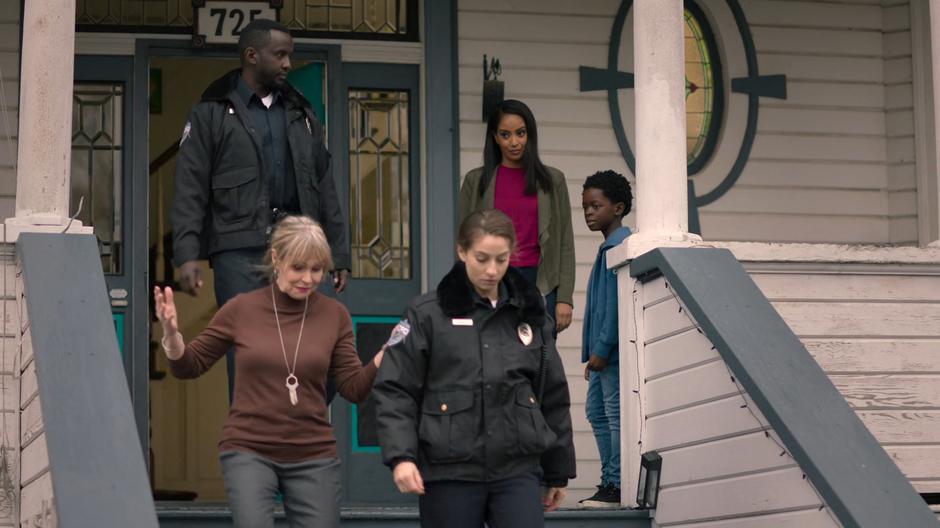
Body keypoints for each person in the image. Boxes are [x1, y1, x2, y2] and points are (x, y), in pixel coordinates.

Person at [154, 216, 380, 528]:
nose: (308, 278)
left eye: (317, 269)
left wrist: (383, 358)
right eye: (298, 267)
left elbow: (353, 388)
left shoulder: (334, 315)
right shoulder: (241, 309)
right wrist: (171, 333)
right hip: (250, 449)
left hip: (313, 453)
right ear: (276, 258)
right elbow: (189, 365)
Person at [170, 18, 349, 394]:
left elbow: (325, 185)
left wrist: (339, 253)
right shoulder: (211, 113)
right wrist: (186, 253)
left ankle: (303, 426)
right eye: (280, 55)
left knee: (325, 350)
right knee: (249, 354)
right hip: (239, 251)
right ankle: (254, 443)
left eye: (290, 56)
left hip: (299, 248)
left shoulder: (303, 114)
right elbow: (190, 186)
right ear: (252, 56)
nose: (287, 64)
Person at [373, 209, 576, 527]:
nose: (492, 270)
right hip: (448, 470)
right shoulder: (426, 314)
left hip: (517, 470)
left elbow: (553, 394)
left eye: (501, 259)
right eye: (482, 258)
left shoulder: (531, 316)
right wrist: (401, 457)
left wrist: (557, 471)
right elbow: (395, 390)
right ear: (462, 251)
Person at [458, 99, 576, 336]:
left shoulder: (553, 181)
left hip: (539, 283)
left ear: (530, 134)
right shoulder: (475, 181)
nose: (514, 142)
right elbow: (464, 243)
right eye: (505, 134)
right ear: (494, 137)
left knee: (539, 362)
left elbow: (564, 242)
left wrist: (565, 298)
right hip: (491, 281)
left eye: (520, 133)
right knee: (492, 359)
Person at [578, 170, 632, 508]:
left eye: (595, 205)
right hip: (600, 355)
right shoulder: (606, 249)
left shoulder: (620, 249)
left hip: (610, 354)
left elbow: (614, 310)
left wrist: (600, 350)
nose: (588, 212)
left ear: (618, 207)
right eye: (584, 207)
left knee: (613, 414)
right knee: (595, 412)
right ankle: (609, 480)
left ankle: (617, 485)